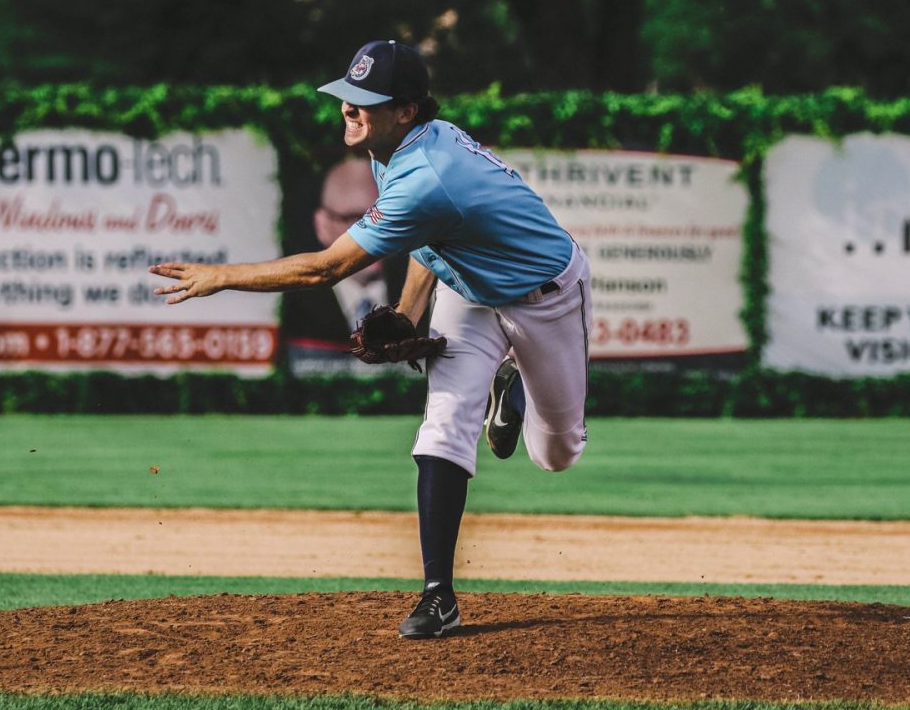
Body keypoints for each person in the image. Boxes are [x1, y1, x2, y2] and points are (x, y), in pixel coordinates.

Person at [149, 40, 592, 639]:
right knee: (442, 424)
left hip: (546, 297)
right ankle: (439, 596)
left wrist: (221, 277)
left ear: (406, 110)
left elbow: (325, 270)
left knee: (556, 455)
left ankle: (512, 393)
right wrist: (410, 314)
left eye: (364, 102)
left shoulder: (427, 172)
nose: (348, 111)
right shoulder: (396, 150)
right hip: (468, 290)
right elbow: (435, 239)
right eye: (345, 99)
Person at [284, 158, 396, 345]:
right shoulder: (292, 306)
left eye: (384, 216)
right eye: (356, 218)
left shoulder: (427, 294)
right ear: (323, 226)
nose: (377, 231)